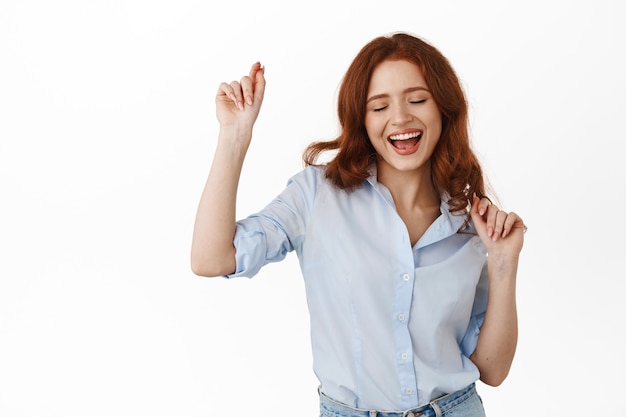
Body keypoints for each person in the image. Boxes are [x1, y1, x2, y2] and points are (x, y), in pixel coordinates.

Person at [191, 32, 525, 417]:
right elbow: (211, 259)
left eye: (417, 100)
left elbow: (493, 369)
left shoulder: (469, 222)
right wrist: (234, 136)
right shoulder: (316, 195)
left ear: (444, 110)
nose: (400, 118)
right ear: (361, 120)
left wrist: (503, 265)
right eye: (379, 106)